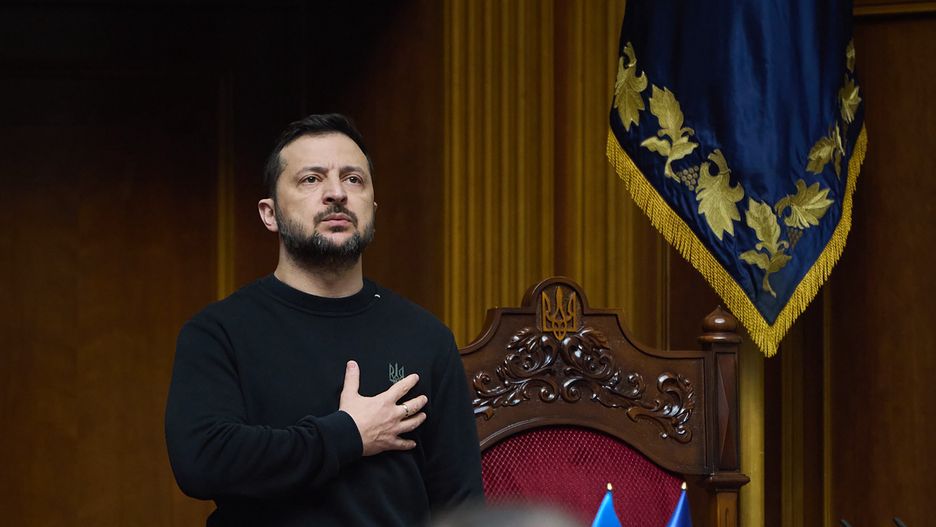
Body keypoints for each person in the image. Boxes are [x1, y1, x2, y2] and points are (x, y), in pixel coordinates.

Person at [165, 113, 483, 526]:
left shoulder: (426, 337)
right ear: (269, 213)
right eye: (311, 179)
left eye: (353, 179)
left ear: (372, 208)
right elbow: (202, 461)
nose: (337, 193)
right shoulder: (218, 332)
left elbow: (461, 504)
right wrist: (348, 435)